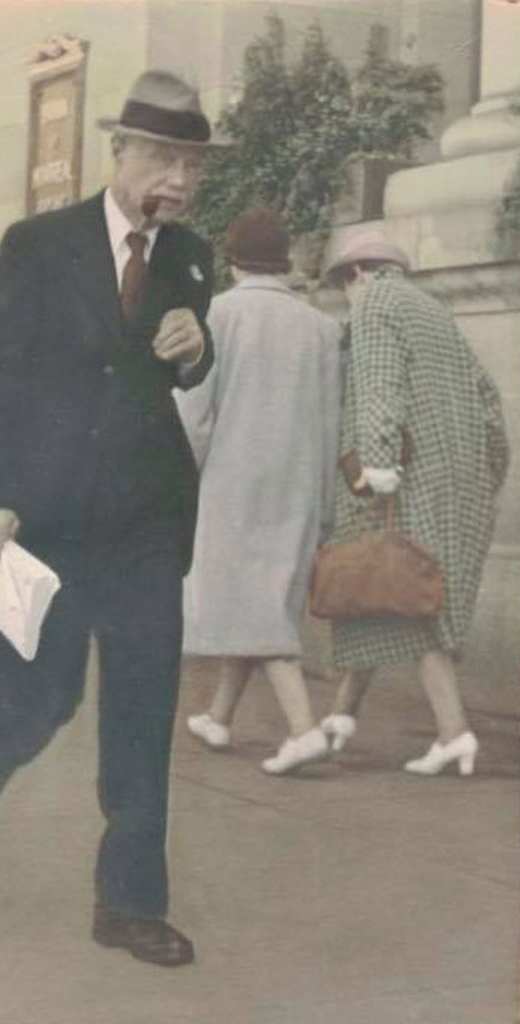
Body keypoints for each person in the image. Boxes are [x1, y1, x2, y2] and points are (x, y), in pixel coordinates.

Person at [0, 70, 229, 967]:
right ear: (120, 153)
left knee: (140, 718)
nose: (176, 181)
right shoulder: (38, 245)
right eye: (163, 158)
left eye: (191, 164)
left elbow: (177, 365)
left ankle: (129, 906)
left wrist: (195, 349)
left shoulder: (189, 257)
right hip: (48, 520)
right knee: (37, 706)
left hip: (143, 524)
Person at [319, 231, 509, 775]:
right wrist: (488, 468)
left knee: (409, 595)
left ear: (357, 274)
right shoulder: (435, 312)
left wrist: (375, 465)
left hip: (405, 477)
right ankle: (340, 716)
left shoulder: (376, 304)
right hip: (460, 476)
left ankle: (454, 733)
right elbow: (488, 400)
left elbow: (381, 385)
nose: (345, 294)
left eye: (341, 283)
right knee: (384, 588)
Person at [177, 207, 342, 775]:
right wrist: (325, 504)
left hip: (231, 481)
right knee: (265, 597)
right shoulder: (321, 327)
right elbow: (330, 423)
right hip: (297, 482)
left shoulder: (216, 315)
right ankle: (218, 715)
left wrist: (179, 478)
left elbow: (195, 412)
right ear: (286, 258)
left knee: (255, 604)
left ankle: (302, 728)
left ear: (232, 258)